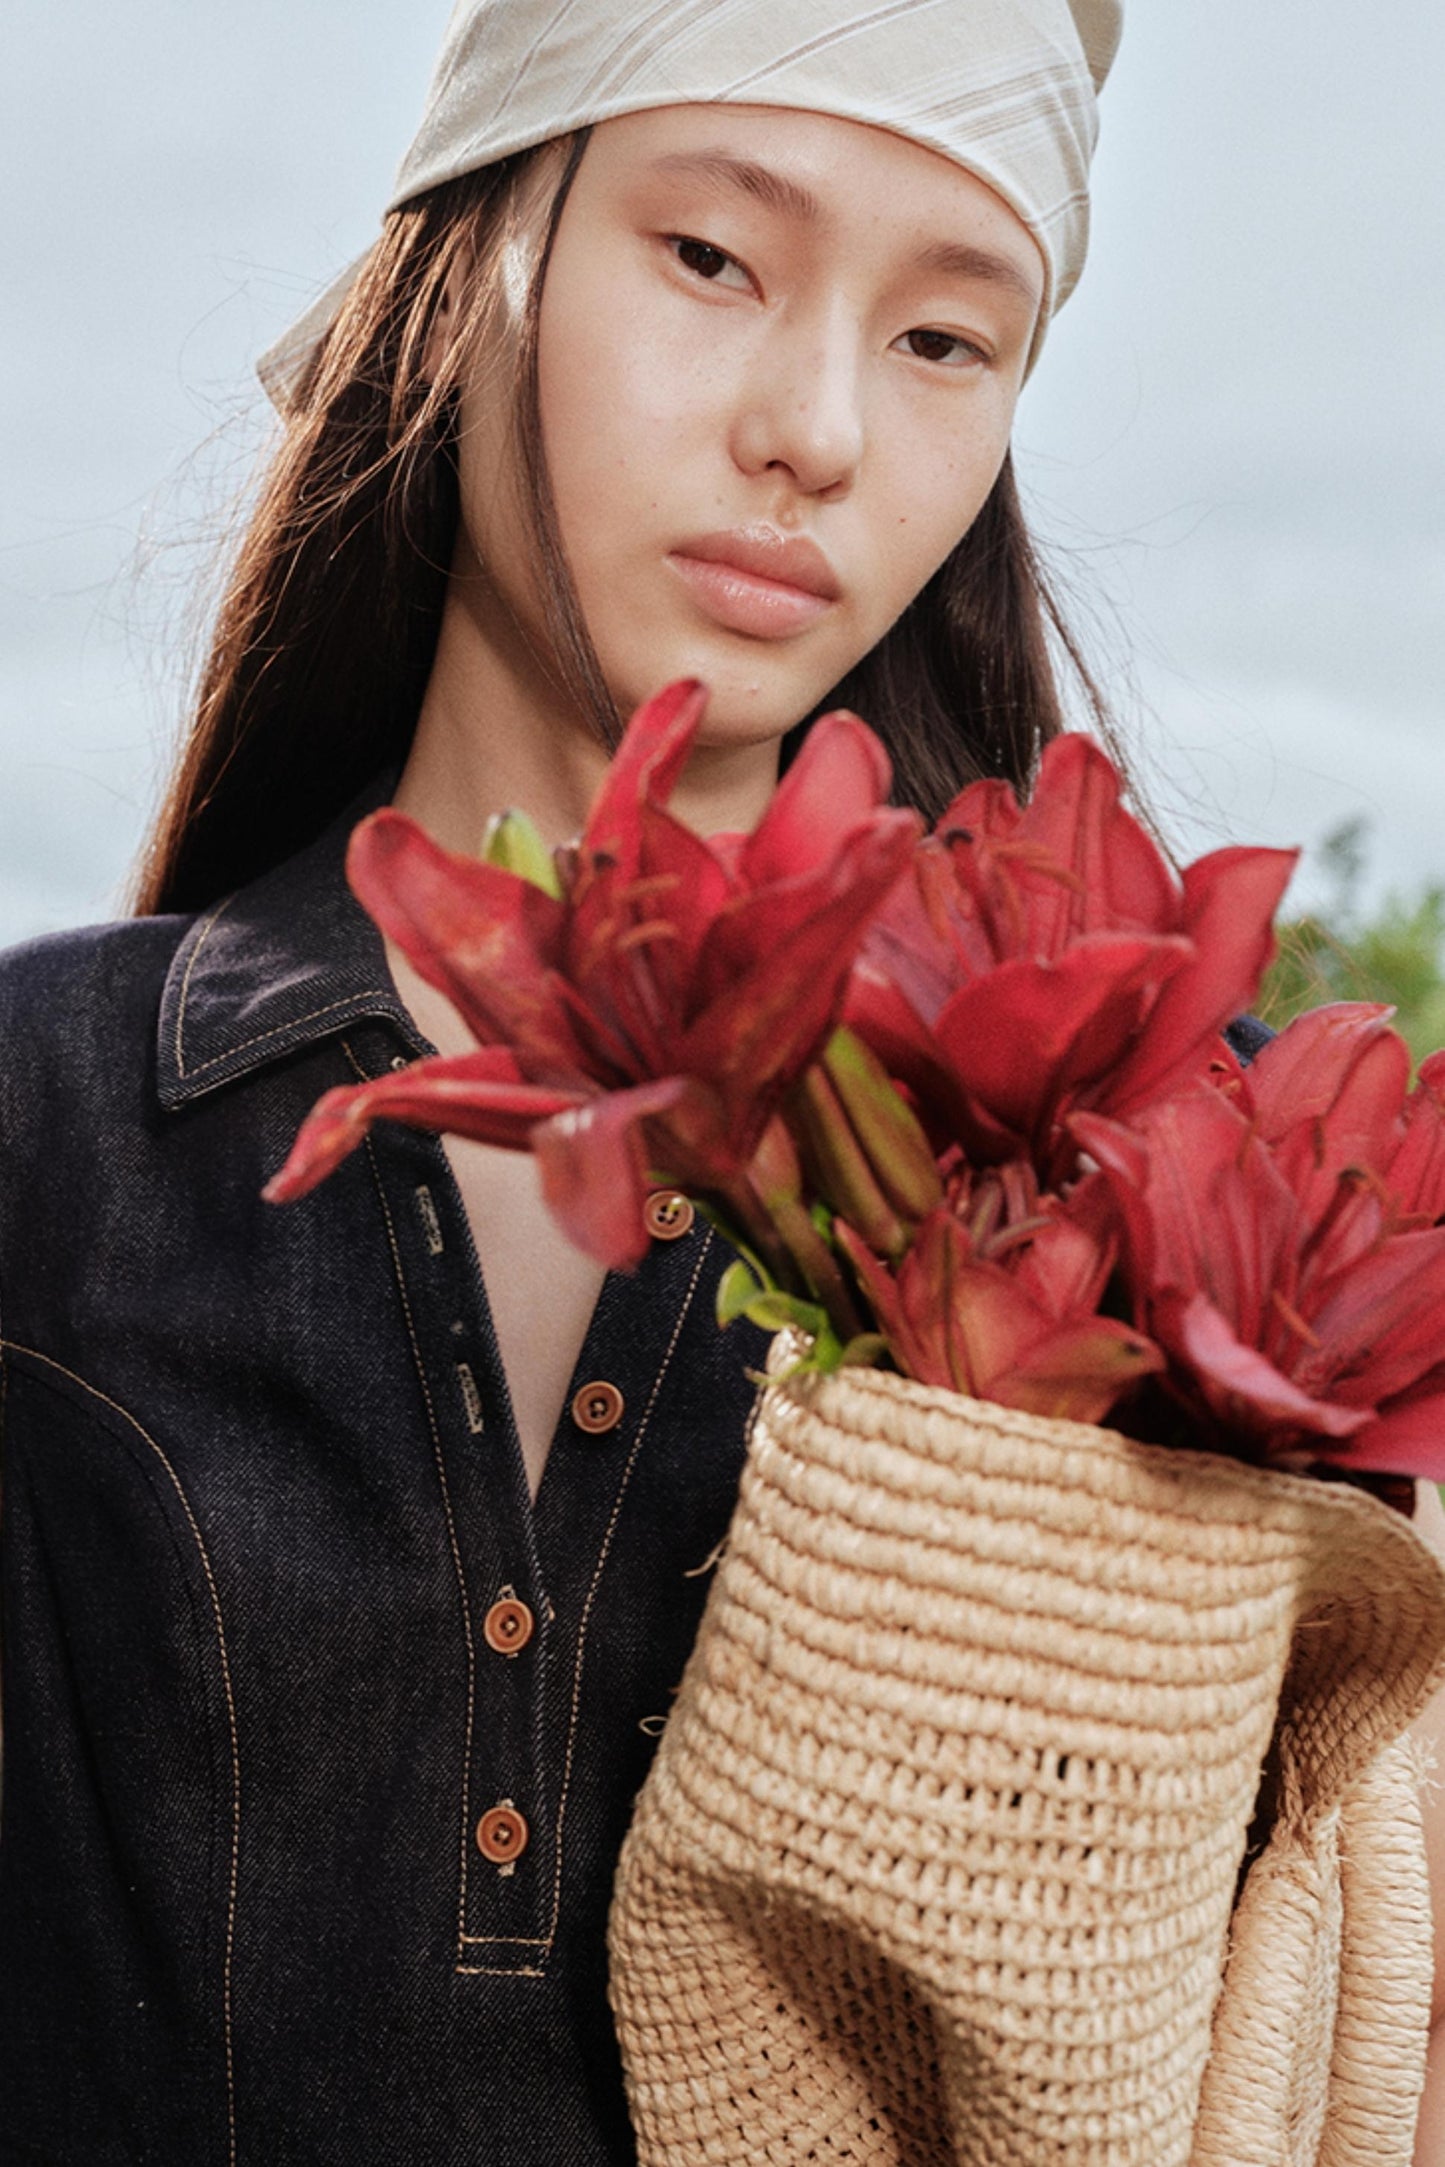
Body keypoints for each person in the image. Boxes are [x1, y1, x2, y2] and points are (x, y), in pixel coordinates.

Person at [2, 1, 1443, 2160]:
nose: (818, 430)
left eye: (950, 339)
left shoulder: (1200, 1170)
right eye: (712, 260)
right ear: (472, 253)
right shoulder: (49, 1123)